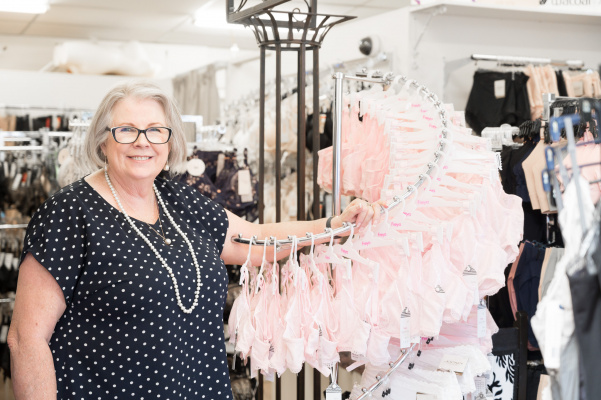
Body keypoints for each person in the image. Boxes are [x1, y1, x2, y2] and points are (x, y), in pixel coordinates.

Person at [7, 80, 385, 399]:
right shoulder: (69, 213)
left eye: (156, 130)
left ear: (170, 141)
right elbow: (26, 339)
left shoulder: (178, 199)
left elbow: (253, 241)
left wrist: (333, 224)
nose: (143, 142)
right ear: (103, 141)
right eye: (127, 130)